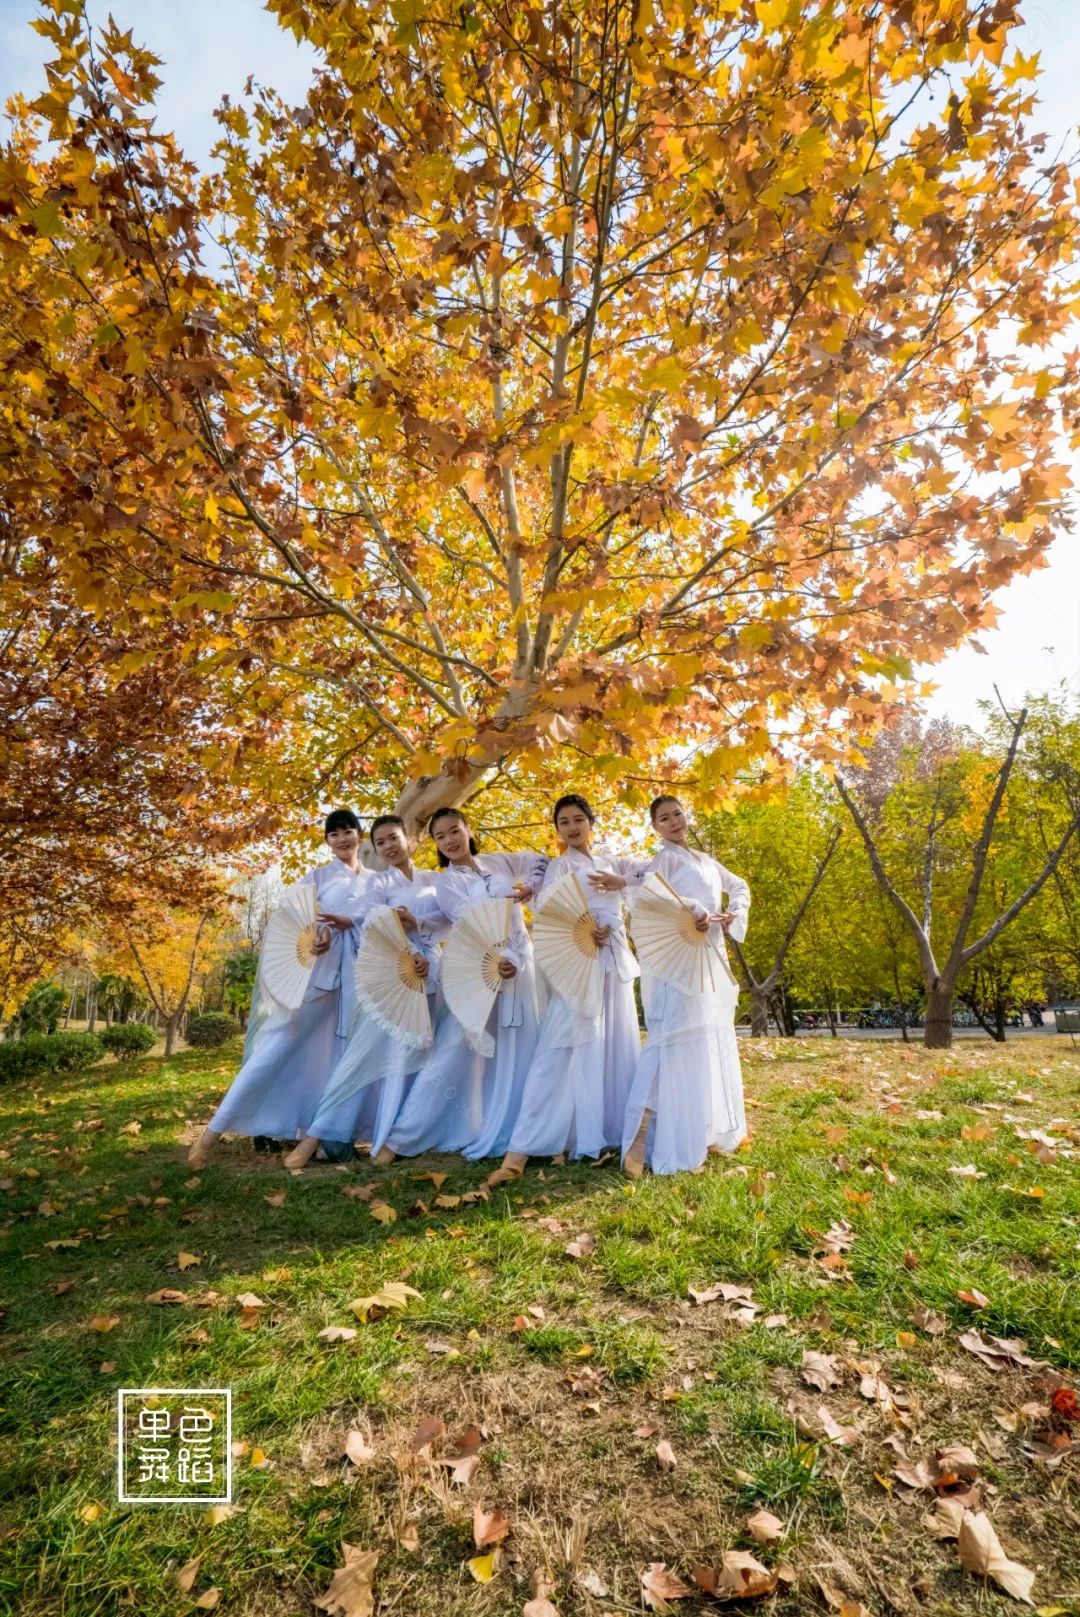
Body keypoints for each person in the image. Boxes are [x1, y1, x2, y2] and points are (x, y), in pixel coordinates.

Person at [186, 810, 371, 1168]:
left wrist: (356, 924)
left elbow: (383, 925)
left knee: (338, 1059)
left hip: (360, 982)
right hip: (320, 979)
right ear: (327, 841)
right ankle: (212, 1133)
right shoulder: (315, 878)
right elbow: (293, 925)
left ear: (359, 835)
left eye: (348, 831)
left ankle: (322, 1134)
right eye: (334, 835)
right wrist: (315, 941)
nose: (343, 839)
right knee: (278, 1046)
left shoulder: (378, 881)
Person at [484, 793, 642, 1187]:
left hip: (612, 955)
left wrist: (620, 886)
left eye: (578, 820)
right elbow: (548, 914)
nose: (571, 828)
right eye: (563, 823)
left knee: (612, 1040)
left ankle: (603, 1128)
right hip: (577, 957)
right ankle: (522, 1145)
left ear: (591, 822)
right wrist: (587, 928)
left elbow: (649, 876)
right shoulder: (556, 867)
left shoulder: (611, 862)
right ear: (557, 830)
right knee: (558, 1043)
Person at [373, 807, 547, 1163]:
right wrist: (417, 924)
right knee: (454, 1044)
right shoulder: (446, 883)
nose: (450, 840)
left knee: (520, 1045)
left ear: (468, 830)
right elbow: (467, 923)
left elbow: (543, 862)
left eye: (454, 830)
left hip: (522, 962)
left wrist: (531, 886)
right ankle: (403, 1138)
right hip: (482, 967)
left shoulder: (500, 863)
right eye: (440, 836)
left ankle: (519, 1131)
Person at [282, 815, 445, 1169]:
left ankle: (402, 1134)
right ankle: (316, 1137)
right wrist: (412, 950)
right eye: (381, 841)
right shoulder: (379, 884)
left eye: (393, 838)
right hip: (397, 972)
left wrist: (422, 934)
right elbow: (374, 920)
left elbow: (449, 919)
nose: (388, 846)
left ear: (409, 839)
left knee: (422, 1058)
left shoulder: (435, 881)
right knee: (366, 1052)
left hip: (434, 972)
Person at [613, 795, 750, 1177]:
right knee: (668, 1035)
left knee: (706, 1034)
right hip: (680, 953)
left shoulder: (706, 861)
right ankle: (639, 1136)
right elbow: (651, 896)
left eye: (677, 814)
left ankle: (701, 1125)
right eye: (663, 818)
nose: (673, 822)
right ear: (655, 828)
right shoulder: (665, 859)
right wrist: (694, 908)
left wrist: (733, 912)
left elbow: (739, 885)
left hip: (711, 951)